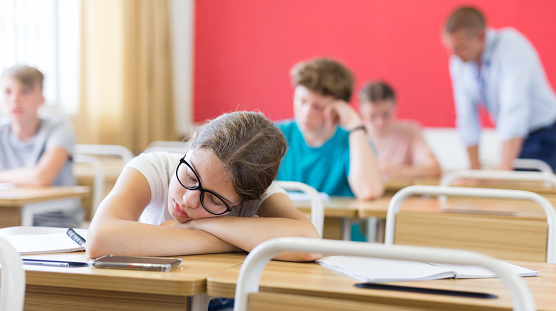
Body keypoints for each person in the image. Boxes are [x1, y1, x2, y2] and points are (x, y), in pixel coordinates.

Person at [87, 111, 320, 262]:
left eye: (215, 200)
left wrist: (198, 225)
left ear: (247, 199)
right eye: (189, 175)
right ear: (191, 143)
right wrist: (232, 241)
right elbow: (99, 240)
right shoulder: (153, 167)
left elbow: (309, 244)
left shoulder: (259, 195)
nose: (188, 200)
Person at [442, 6, 556, 171]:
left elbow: (514, 109)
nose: (454, 54)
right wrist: (475, 170)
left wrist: (504, 170)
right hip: (515, 139)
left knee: (521, 189)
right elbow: (466, 116)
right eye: (450, 48)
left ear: (481, 36)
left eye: (460, 47)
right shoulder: (460, 61)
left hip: (546, 135)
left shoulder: (510, 46)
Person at [276, 57, 384, 200]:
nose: (307, 112)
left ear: (339, 107)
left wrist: (356, 125)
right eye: (302, 101)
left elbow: (368, 191)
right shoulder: (274, 135)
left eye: (318, 107)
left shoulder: (353, 142)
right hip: (283, 222)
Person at [0, 65, 83, 227]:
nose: (15, 99)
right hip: (10, 219)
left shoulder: (59, 129)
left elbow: (41, 177)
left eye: (25, 91)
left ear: (41, 98)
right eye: (8, 92)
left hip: (55, 222)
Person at [358, 81, 441, 180]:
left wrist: (399, 172)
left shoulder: (410, 131)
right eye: (373, 115)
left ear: (394, 106)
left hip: (401, 193)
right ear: (361, 109)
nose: (380, 122)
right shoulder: (354, 133)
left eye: (385, 114)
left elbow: (434, 168)